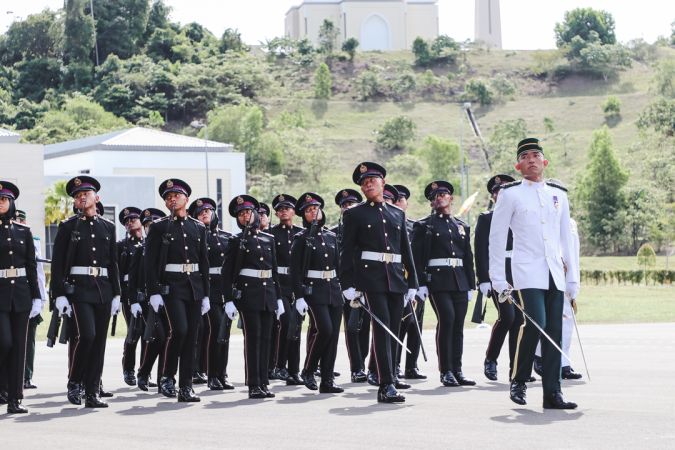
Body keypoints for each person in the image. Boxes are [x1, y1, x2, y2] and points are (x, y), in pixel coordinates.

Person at [489, 137, 579, 409]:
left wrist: (573, 277)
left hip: (554, 271)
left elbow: (566, 239)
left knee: (555, 330)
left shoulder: (559, 194)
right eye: (525, 156)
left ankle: (553, 393)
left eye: (536, 155)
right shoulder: (511, 193)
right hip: (527, 270)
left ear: (544, 161)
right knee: (536, 322)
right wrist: (497, 279)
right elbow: (496, 237)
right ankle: (519, 378)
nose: (531, 159)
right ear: (518, 165)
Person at [340, 162, 418, 403]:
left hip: (395, 278)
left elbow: (405, 250)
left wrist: (412, 282)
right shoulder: (354, 214)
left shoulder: (397, 213)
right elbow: (347, 251)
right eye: (364, 182)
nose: (368, 184)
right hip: (370, 278)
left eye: (372, 180)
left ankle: (391, 377)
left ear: (383, 182)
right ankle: (385, 385)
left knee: (394, 329)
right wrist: (348, 285)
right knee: (382, 329)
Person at [50, 176, 121, 408]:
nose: (82, 196)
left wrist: (117, 294)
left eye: (86, 193)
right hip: (79, 289)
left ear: (96, 198)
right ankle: (75, 381)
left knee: (99, 341)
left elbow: (113, 263)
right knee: (87, 335)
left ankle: (92, 392)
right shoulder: (68, 226)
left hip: (103, 289)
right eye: (77, 194)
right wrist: (59, 294)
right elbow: (58, 263)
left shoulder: (108, 227)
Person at [144, 179, 210, 403]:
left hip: (194, 286)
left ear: (186, 199)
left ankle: (186, 386)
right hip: (172, 287)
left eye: (176, 195)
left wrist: (206, 294)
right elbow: (150, 263)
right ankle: (167, 376)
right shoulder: (159, 227)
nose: (172, 199)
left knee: (192, 335)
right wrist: (153, 291)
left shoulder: (198, 227)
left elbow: (204, 262)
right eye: (168, 197)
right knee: (179, 330)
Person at [411, 181, 476, 388]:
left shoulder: (461, 225)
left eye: (443, 194)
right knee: (447, 320)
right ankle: (445, 371)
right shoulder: (424, 226)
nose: (439, 197)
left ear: (451, 198)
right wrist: (419, 283)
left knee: (458, 326)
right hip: (437, 281)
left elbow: (468, 257)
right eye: (435, 196)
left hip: (460, 281)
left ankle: (457, 369)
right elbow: (417, 257)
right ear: (431, 203)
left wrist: (471, 284)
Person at [221, 195, 285, 399]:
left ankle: (264, 382)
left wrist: (280, 298)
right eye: (241, 214)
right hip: (249, 295)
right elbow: (227, 273)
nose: (245, 216)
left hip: (269, 293)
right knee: (253, 338)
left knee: (267, 338)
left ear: (256, 213)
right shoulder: (236, 241)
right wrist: (229, 299)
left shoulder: (269, 239)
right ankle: (254, 384)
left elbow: (274, 271)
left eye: (248, 212)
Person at [474, 174, 526, 382]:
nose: (500, 195)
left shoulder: (519, 216)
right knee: (508, 317)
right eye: (496, 192)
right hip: (498, 272)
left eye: (504, 190)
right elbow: (480, 250)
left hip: (519, 271)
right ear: (493, 197)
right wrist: (484, 279)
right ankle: (491, 358)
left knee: (520, 320)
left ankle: (516, 368)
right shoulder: (487, 218)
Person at [291, 193, 344, 393]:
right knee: (326, 330)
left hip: (334, 290)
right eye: (308, 210)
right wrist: (300, 296)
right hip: (315, 290)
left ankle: (328, 380)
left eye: (315, 208)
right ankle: (309, 369)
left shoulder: (331, 237)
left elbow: (339, 266)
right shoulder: (301, 238)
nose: (313, 212)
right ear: (303, 216)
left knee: (333, 336)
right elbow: (295, 272)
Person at [0, 182, 42, 414]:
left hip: (22, 295)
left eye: (4, 199)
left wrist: (37, 296)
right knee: (4, 342)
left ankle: (15, 399)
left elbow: (31, 266)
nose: (1, 203)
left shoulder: (23, 231)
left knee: (19, 347)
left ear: (11, 202)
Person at [188, 197, 235, 390]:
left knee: (225, 334)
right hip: (207, 290)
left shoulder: (227, 237)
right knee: (214, 330)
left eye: (207, 210)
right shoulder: (195, 236)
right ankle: (212, 374)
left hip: (226, 290)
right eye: (200, 213)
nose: (204, 214)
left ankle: (222, 373)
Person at [534, 216, 583, 380]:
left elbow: (575, 254)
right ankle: (539, 356)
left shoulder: (571, 223)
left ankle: (564, 362)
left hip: (567, 277)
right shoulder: (543, 219)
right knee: (548, 320)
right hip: (549, 275)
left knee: (567, 322)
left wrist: (574, 280)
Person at [330, 189, 369, 383]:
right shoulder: (333, 233)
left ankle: (365, 363)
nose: (347, 207)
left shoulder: (366, 228)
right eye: (344, 205)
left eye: (351, 204)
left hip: (366, 283)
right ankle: (357, 368)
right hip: (345, 287)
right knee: (352, 327)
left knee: (366, 327)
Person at [268, 194, 304, 385]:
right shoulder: (270, 234)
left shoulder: (301, 233)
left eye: (287, 208)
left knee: (296, 327)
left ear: (293, 211)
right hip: (279, 284)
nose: (283, 211)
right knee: (286, 324)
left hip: (297, 285)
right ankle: (279, 365)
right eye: (280, 209)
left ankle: (293, 371)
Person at [392, 184, 426, 380]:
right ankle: (395, 365)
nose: (398, 203)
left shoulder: (415, 226)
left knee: (416, 325)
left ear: (406, 203)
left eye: (401, 199)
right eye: (394, 200)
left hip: (416, 283)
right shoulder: (388, 224)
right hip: (397, 281)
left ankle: (411, 367)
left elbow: (419, 257)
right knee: (402, 324)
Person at [130, 208, 165, 392]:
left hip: (166, 298)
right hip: (145, 302)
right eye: (147, 226)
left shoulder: (167, 247)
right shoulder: (140, 250)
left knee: (167, 337)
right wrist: (134, 301)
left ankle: (163, 379)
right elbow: (133, 279)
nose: (150, 228)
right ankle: (144, 372)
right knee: (156, 338)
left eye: (153, 225)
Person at [13, 209, 47, 390]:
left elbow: (38, 272)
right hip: (10, 293)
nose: (19, 222)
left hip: (28, 293)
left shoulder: (32, 240)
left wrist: (40, 298)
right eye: (16, 219)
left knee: (29, 340)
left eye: (21, 220)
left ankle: (27, 376)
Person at [118, 207, 144, 387]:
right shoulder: (121, 246)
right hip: (129, 292)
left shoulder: (150, 242)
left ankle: (145, 370)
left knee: (149, 332)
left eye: (133, 219)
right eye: (126, 221)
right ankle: (128, 368)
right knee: (134, 330)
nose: (130, 222)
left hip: (148, 292)